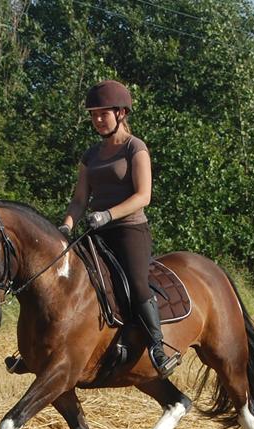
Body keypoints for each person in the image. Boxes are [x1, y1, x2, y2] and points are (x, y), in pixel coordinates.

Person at [60, 79, 180, 378]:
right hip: (96, 230)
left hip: (129, 230)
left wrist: (107, 215)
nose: (98, 120)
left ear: (121, 113)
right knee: (65, 278)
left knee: (137, 284)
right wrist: (65, 226)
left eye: (104, 114)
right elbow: (78, 200)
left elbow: (143, 196)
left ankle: (157, 347)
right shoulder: (90, 155)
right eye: (94, 115)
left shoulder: (134, 148)